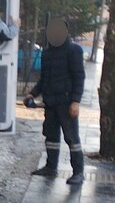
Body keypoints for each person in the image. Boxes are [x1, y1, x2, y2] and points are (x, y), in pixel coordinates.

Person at [24, 17, 85, 185]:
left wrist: (76, 101)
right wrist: (32, 94)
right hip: (50, 102)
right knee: (51, 137)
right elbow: (44, 79)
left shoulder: (74, 50)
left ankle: (78, 172)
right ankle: (51, 167)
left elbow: (79, 76)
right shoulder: (47, 53)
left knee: (72, 138)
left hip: (66, 102)